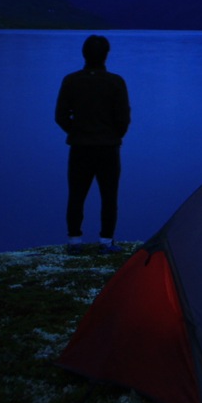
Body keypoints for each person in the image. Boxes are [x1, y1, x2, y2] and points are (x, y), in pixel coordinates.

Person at [55, 34, 131, 253]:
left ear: (84, 54)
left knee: (77, 194)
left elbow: (60, 116)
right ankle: (106, 241)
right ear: (106, 55)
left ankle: (74, 241)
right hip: (108, 148)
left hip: (80, 147)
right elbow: (123, 119)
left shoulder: (71, 80)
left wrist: (77, 131)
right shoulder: (115, 82)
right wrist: (112, 135)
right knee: (109, 195)